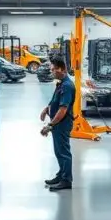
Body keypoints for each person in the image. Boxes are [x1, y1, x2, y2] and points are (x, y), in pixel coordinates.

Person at [40, 57, 75, 192]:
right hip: (58, 124)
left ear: (62, 69)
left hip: (62, 124)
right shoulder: (60, 83)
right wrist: (46, 108)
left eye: (54, 69)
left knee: (64, 152)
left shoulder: (67, 86)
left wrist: (50, 125)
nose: (52, 72)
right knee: (58, 151)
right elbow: (55, 100)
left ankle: (66, 180)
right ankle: (61, 175)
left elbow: (62, 109)